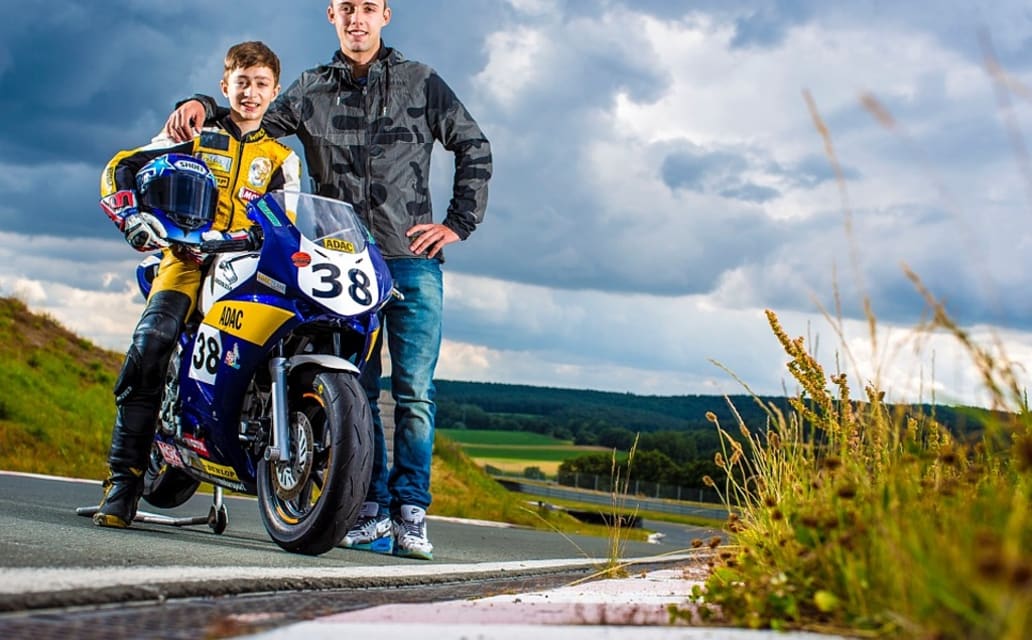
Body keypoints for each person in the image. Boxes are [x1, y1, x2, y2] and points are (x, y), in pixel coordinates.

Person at [165, 0, 492, 560]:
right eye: (346, 9)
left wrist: (457, 223)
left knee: (414, 393)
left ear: (385, 15)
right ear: (331, 16)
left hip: (410, 259)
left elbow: (474, 145)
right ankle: (368, 510)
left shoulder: (421, 81)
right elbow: (250, 120)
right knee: (355, 389)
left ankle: (411, 515)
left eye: (367, 8)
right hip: (339, 260)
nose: (356, 18)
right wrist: (200, 103)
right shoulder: (311, 87)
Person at [93, 41, 301, 528]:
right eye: (242, 83)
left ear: (275, 92)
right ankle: (122, 483)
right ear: (225, 85)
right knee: (152, 343)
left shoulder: (282, 158)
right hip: (185, 260)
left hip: (246, 267)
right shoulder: (194, 130)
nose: (250, 93)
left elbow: (289, 221)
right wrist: (131, 217)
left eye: (261, 85)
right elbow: (123, 165)